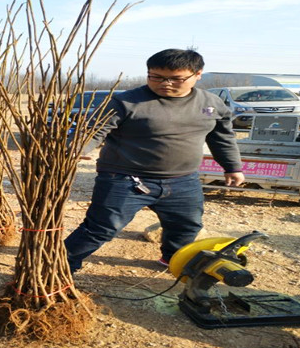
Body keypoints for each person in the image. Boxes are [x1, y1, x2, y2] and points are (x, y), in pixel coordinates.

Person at [65, 48, 245, 272]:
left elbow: (222, 137)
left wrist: (232, 167)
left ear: (198, 74)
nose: (165, 83)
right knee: (101, 228)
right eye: (156, 77)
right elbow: (94, 129)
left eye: (176, 79)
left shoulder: (211, 103)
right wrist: (77, 147)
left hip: (183, 180)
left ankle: (172, 259)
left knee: (186, 227)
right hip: (125, 179)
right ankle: (61, 265)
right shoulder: (127, 102)